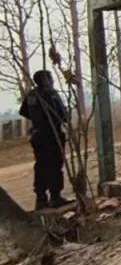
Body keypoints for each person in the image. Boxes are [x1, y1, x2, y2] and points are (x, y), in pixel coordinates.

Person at [19, 70, 69, 211]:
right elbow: (63, 115)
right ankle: (55, 197)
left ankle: (41, 198)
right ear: (47, 80)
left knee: (41, 166)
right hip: (52, 135)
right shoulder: (51, 94)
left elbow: (23, 112)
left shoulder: (31, 95)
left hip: (37, 135)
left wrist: (37, 120)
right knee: (54, 165)